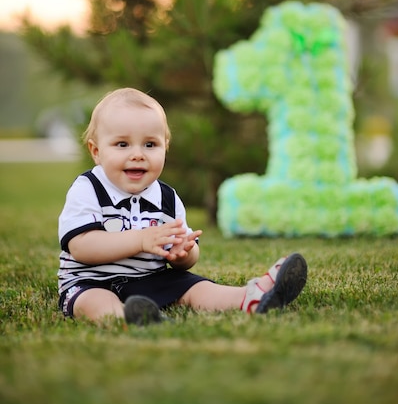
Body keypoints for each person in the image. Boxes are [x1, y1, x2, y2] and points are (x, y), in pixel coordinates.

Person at [58, 87, 308, 326]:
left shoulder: (166, 197)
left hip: (150, 279)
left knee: (193, 287)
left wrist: (183, 253)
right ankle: (127, 319)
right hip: (91, 281)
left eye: (150, 144)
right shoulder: (88, 188)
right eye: (122, 145)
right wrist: (141, 240)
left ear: (165, 147)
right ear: (96, 151)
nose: (138, 154)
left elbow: (186, 257)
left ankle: (251, 296)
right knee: (95, 301)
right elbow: (81, 247)